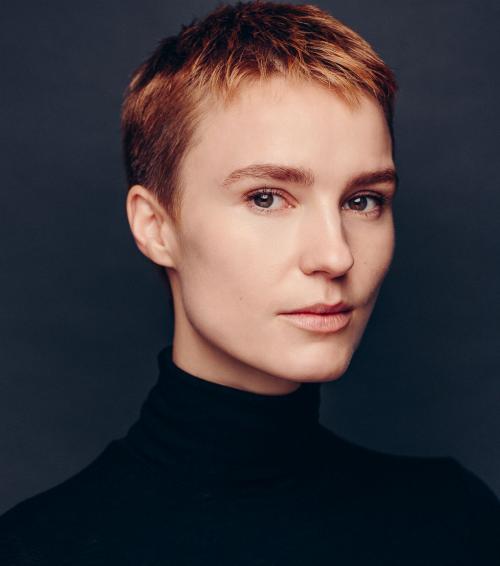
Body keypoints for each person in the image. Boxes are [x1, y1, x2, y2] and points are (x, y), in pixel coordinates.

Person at [1, 1, 499, 564]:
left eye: (363, 201)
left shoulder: (456, 522)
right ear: (156, 227)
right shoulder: (35, 548)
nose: (335, 255)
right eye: (266, 198)